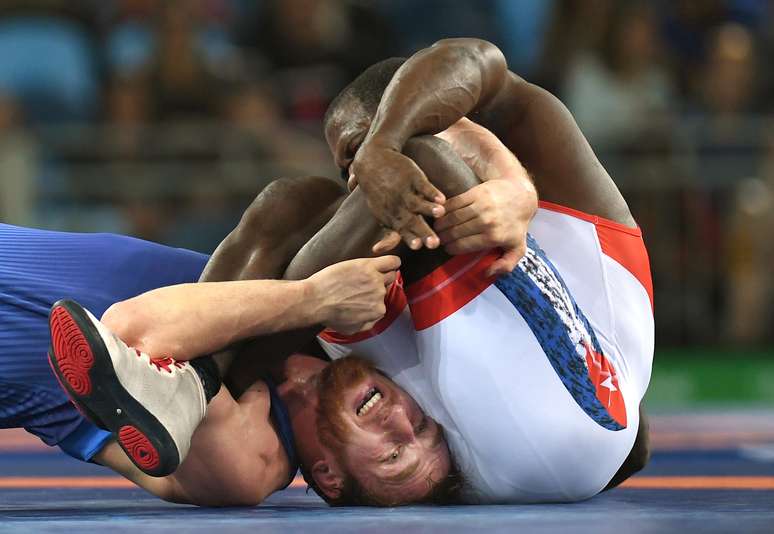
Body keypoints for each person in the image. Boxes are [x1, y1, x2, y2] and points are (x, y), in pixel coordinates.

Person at [49, 37, 654, 505]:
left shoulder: (480, 150)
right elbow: (629, 444)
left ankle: (196, 381)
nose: (355, 184)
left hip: (540, 435)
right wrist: (508, 186)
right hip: (591, 408)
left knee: (378, 199)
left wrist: (384, 147)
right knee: (304, 204)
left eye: (351, 161)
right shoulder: (573, 216)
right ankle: (196, 385)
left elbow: (474, 63)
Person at [0, 219, 397, 504]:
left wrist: (314, 298)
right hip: (23, 255)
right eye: (421, 423)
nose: (398, 422)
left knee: (240, 475)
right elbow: (287, 200)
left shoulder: (259, 459)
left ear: (330, 478)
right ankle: (169, 390)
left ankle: (166, 393)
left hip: (44, 364)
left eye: (394, 456)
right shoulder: (341, 314)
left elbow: (132, 328)